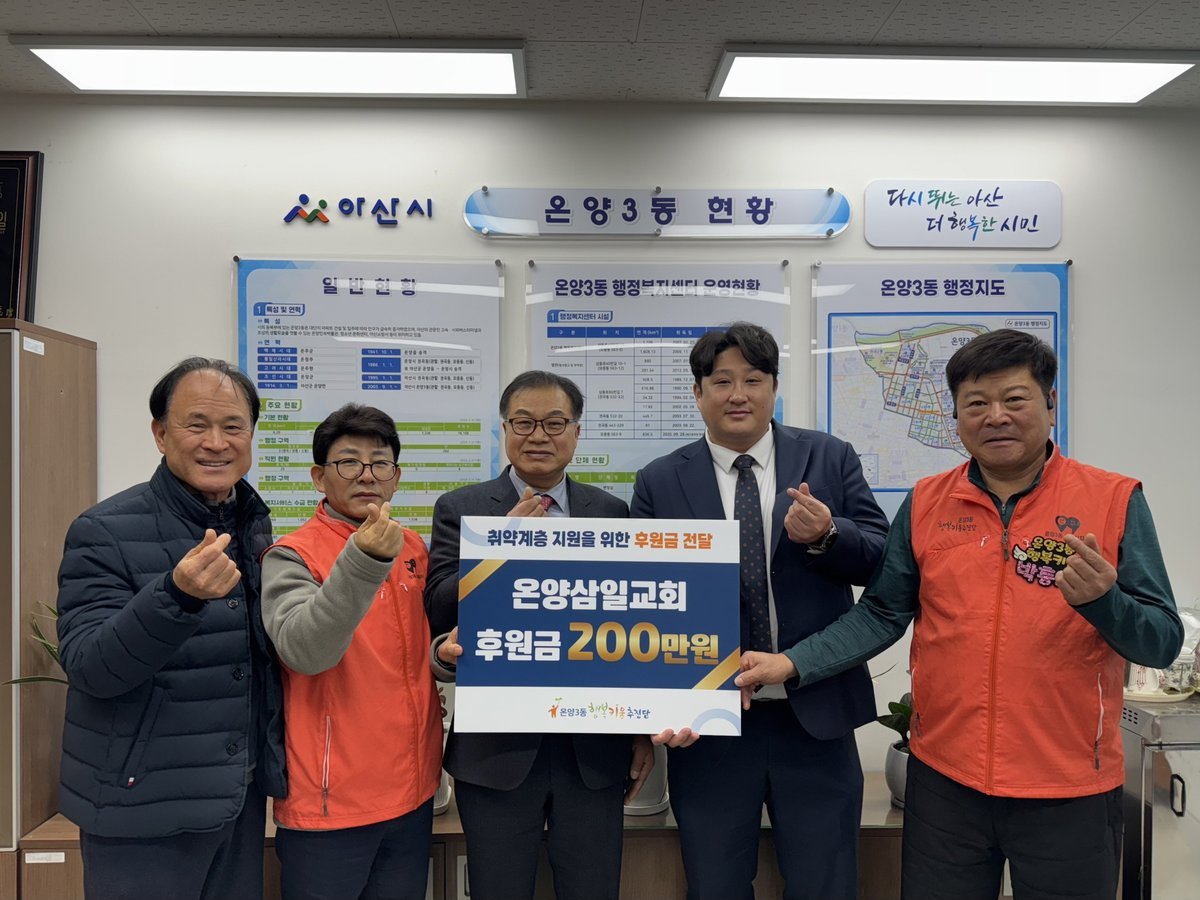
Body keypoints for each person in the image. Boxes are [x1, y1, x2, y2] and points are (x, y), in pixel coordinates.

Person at [738, 328, 1182, 900]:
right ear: (955, 417)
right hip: (946, 781)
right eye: (976, 403)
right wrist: (792, 664)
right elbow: (881, 612)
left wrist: (1105, 602)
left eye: (1015, 399)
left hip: (1069, 784)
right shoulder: (927, 501)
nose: (996, 416)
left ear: (1050, 404)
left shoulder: (1113, 499)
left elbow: (1161, 641)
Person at [631, 322, 890, 900]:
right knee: (715, 884)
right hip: (710, 726)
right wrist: (659, 703)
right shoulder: (660, 480)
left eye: (753, 379)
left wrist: (828, 534)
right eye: (721, 381)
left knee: (826, 885)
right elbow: (645, 598)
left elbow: (880, 560)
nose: (738, 394)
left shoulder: (829, 456)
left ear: (774, 387)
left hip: (816, 716)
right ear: (698, 393)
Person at [56, 357, 286, 900]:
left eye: (233, 426)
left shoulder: (253, 525)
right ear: (160, 434)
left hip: (236, 796)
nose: (217, 443)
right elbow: (90, 667)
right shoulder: (103, 530)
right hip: (140, 809)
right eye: (196, 425)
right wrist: (175, 596)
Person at [426, 370, 654, 900]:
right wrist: (502, 545)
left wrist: (642, 729)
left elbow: (630, 627)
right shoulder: (461, 508)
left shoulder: (612, 512)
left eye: (554, 423)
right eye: (524, 422)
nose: (539, 436)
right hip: (495, 754)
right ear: (504, 430)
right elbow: (436, 607)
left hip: (593, 750)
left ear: (576, 432)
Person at [260, 403, 442, 900]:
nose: (366, 475)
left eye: (380, 463)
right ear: (319, 477)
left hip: (413, 792)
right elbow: (304, 651)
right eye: (348, 462)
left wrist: (441, 657)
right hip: (331, 805)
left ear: (395, 478)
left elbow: (411, 652)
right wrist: (363, 560)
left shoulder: (411, 548)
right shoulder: (292, 555)